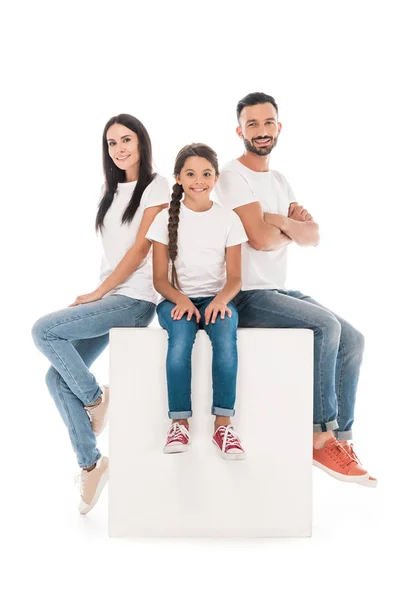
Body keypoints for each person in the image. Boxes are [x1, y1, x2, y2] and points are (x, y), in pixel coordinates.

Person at [214, 92, 376, 486]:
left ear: (278, 127)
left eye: (268, 122)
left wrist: (275, 221)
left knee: (352, 338)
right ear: (240, 131)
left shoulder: (280, 180)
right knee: (325, 327)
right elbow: (260, 239)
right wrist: (286, 227)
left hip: (277, 291)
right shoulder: (232, 176)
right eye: (252, 124)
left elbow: (314, 236)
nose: (261, 130)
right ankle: (319, 437)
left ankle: (341, 439)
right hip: (247, 295)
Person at [32, 114, 170, 513]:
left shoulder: (156, 186)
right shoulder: (110, 192)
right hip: (111, 297)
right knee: (55, 378)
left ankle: (95, 400)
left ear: (142, 142)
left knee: (45, 331)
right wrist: (101, 292)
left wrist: (99, 292)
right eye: (112, 143)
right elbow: (111, 255)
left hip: (135, 299)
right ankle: (91, 464)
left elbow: (141, 249)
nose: (120, 148)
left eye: (127, 139)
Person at [146, 143, 248, 459]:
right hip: (176, 300)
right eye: (190, 173)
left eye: (206, 173)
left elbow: (235, 278)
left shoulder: (228, 219)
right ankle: (179, 423)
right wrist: (182, 301)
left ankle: (223, 425)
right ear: (178, 178)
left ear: (216, 178)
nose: (198, 180)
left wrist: (220, 301)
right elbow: (160, 280)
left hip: (217, 299)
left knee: (226, 339)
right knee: (179, 342)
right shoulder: (164, 219)